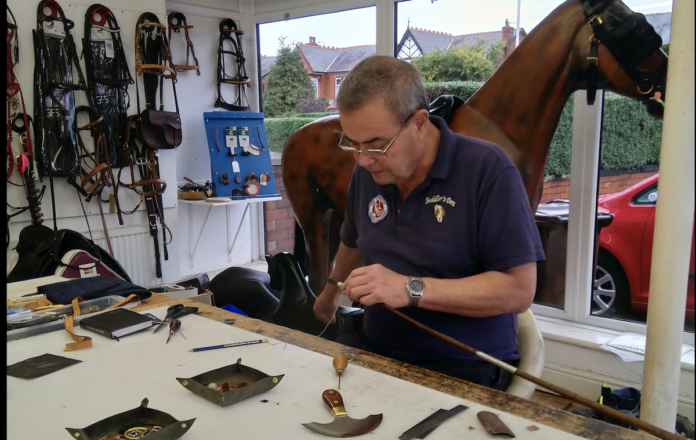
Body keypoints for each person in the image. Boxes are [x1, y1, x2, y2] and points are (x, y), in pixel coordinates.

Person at [313, 56, 545, 390]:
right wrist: (332, 289)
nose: (362, 159)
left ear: (420, 123)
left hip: (463, 367)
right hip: (377, 351)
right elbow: (354, 242)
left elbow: (519, 290)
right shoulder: (368, 171)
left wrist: (408, 289)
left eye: (377, 144)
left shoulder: (488, 171)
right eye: (352, 143)